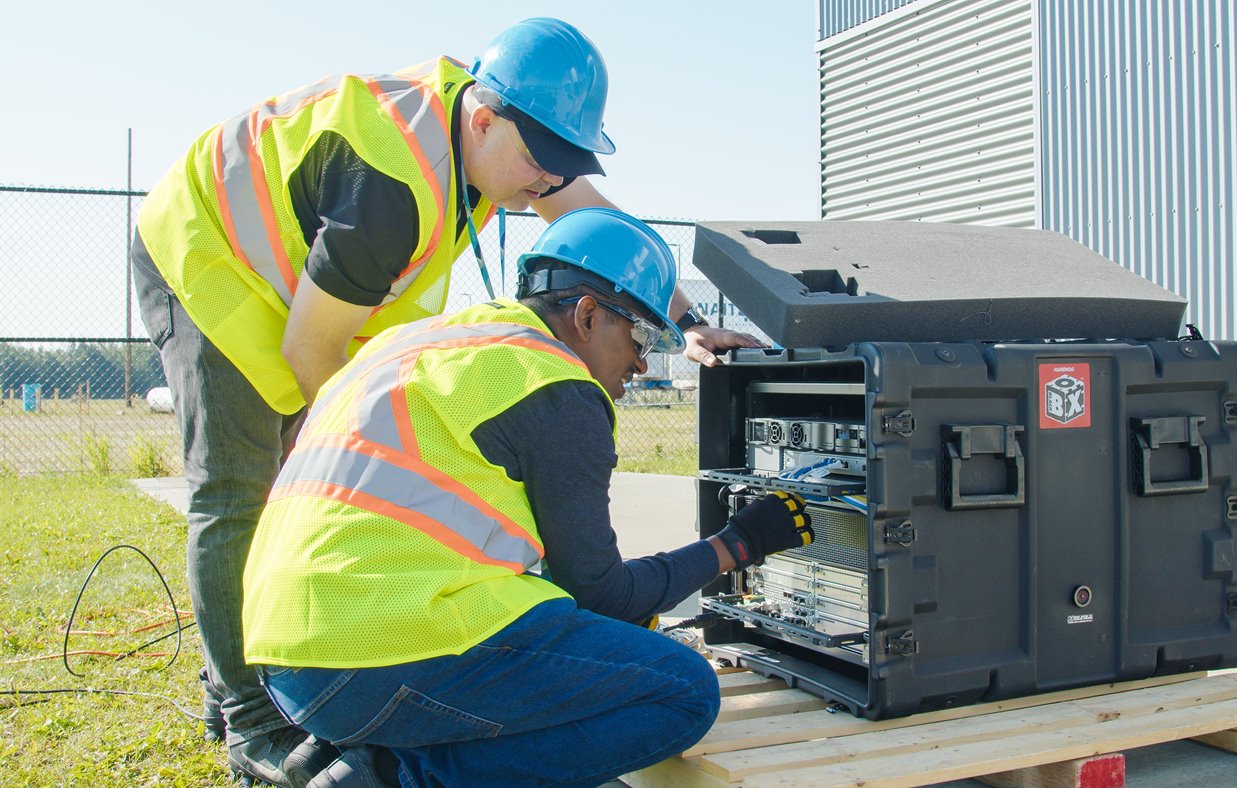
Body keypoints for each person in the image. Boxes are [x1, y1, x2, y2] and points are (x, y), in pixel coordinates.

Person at [131, 17, 760, 787]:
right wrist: (350, 468)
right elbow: (311, 353)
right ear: (484, 122)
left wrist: (688, 322)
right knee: (236, 492)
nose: (547, 184)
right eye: (542, 166)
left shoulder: (502, 133)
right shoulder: (394, 186)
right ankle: (254, 723)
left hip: (308, 647)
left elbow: (595, 223)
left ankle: (302, 687)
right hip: (209, 259)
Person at [240, 207, 811, 787]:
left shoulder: (425, 342)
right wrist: (739, 543)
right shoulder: (553, 384)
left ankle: (341, 750)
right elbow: (604, 594)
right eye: (640, 336)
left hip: (285, 656)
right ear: (586, 315)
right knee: (681, 691)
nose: (642, 362)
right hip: (372, 658)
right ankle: (394, 776)